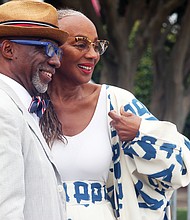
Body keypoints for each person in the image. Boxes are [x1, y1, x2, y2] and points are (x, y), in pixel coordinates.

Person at [40, 9, 190, 220]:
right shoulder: (27, 105)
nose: (93, 54)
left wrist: (140, 134)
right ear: (50, 48)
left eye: (96, 45)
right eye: (81, 44)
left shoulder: (115, 103)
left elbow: (181, 165)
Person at [0, 1, 69, 220]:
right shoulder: (3, 109)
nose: (56, 61)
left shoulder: (18, 107)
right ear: (8, 49)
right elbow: (6, 209)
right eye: (46, 48)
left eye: (57, 50)